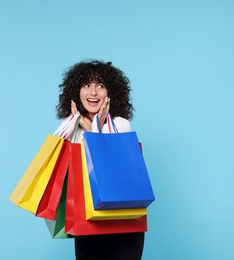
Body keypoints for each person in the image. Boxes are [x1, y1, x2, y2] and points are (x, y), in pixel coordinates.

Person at [56, 60, 145, 260]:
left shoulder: (120, 125)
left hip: (123, 221)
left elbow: (111, 166)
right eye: (86, 85)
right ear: (76, 92)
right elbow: (61, 167)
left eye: (100, 86)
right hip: (86, 218)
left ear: (110, 92)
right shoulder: (69, 127)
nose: (93, 93)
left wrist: (93, 130)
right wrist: (74, 125)